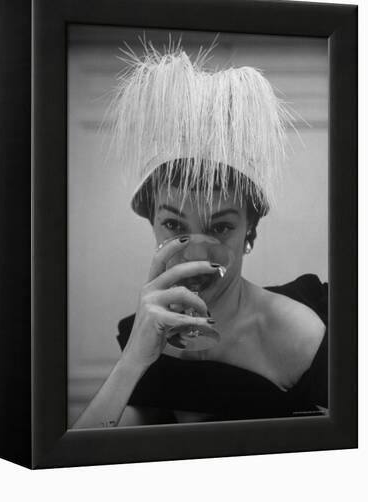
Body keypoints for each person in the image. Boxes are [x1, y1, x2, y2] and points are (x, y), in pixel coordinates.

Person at [74, 43, 328, 428]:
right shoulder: (150, 331)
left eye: (220, 227)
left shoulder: (301, 332)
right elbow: (85, 461)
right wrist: (132, 362)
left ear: (250, 233)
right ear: (152, 225)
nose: (194, 256)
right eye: (174, 226)